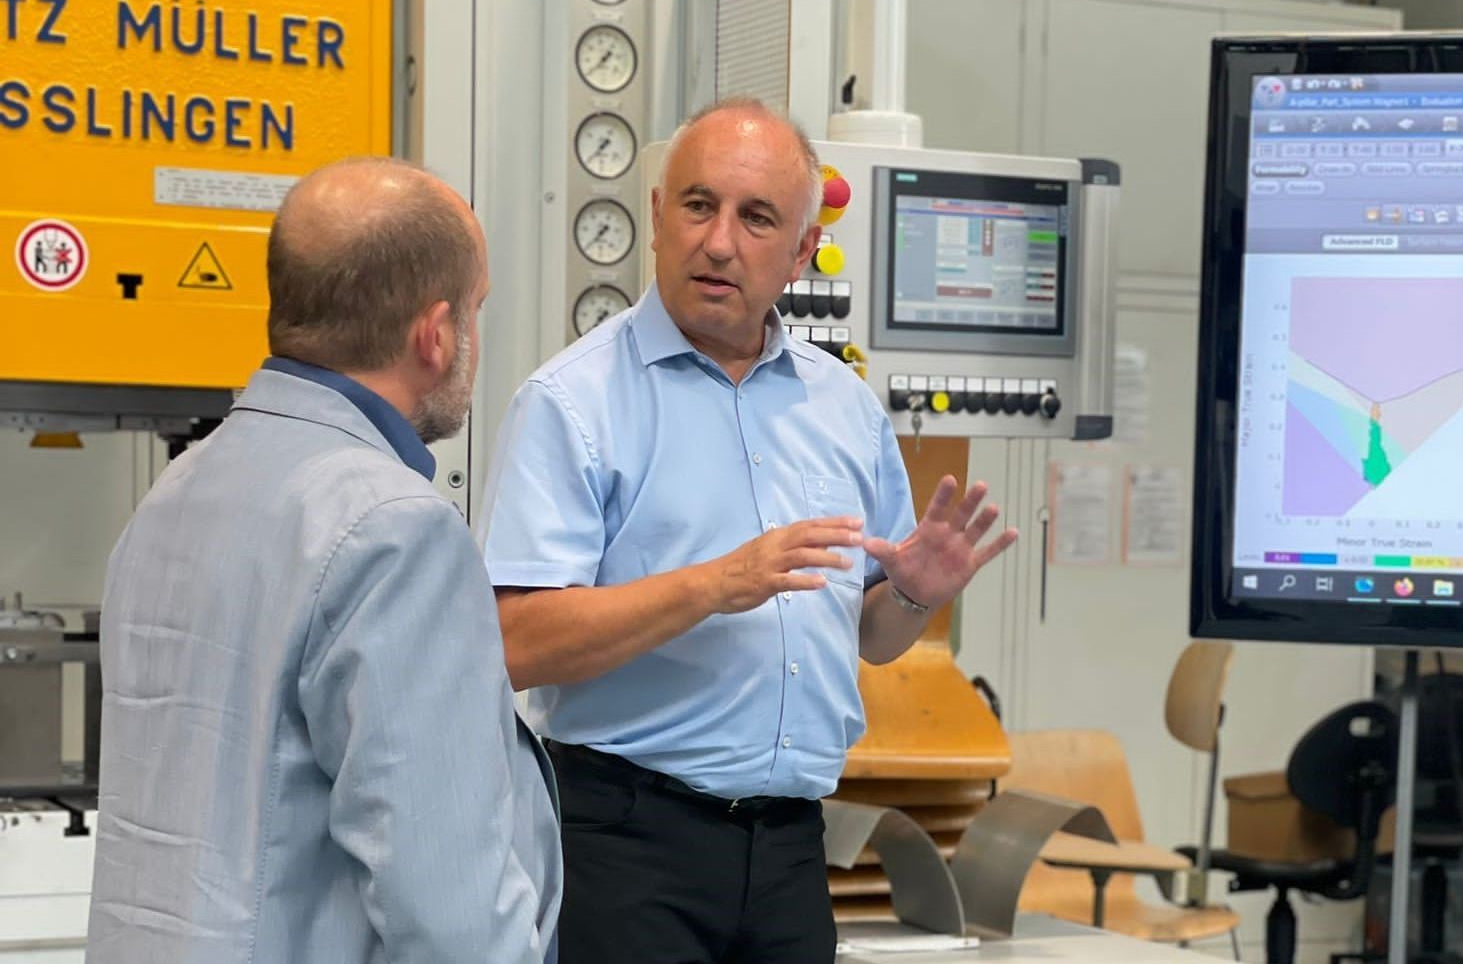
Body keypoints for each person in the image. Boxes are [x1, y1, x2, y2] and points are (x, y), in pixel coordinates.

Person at [480, 98, 1017, 963]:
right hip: (627, 847)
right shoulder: (573, 404)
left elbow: (874, 640)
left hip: (794, 854)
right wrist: (714, 585)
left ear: (803, 251)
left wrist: (915, 590)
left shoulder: (843, 407)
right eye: (698, 205)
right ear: (657, 216)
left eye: (756, 216)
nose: (719, 241)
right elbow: (514, 642)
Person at [86, 158, 561, 963]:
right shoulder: (395, 530)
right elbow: (451, 910)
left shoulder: (177, 491)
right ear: (436, 334)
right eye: (476, 313)